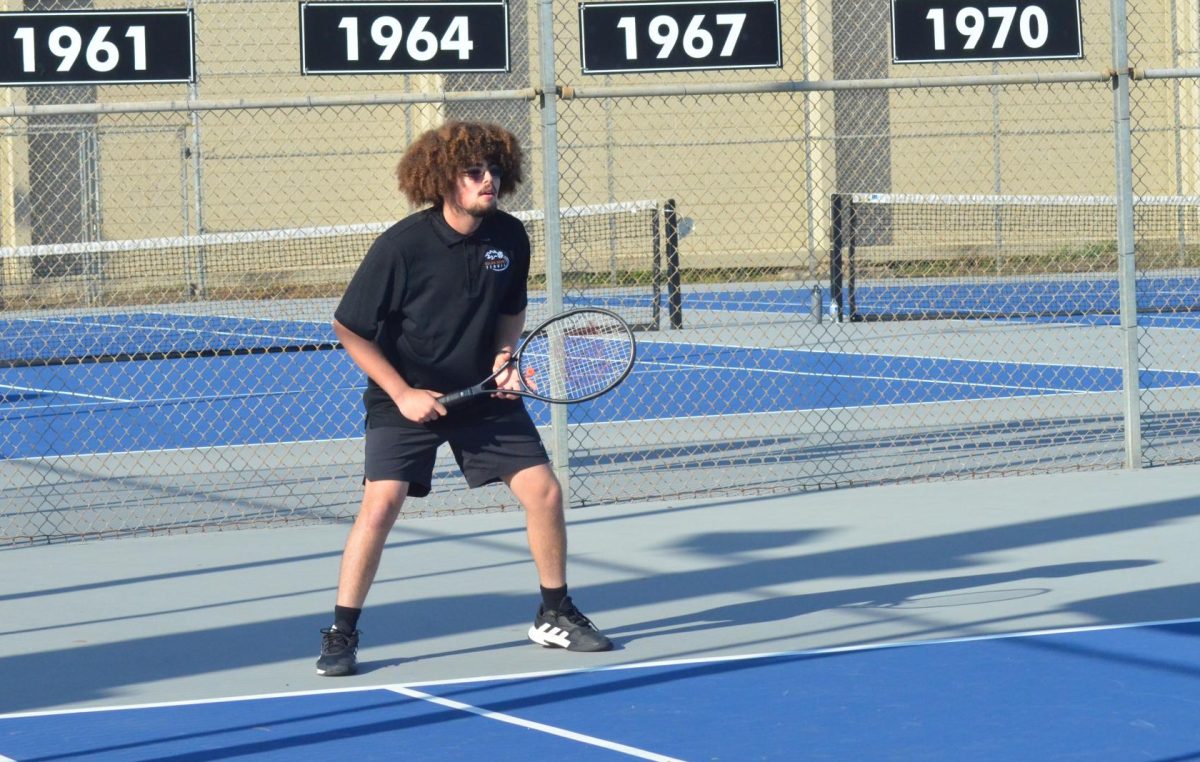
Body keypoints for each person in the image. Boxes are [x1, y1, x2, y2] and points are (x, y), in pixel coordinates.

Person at [316, 121, 613, 677]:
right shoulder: (402, 247)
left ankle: (555, 614)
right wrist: (403, 393)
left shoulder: (510, 236)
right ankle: (341, 632)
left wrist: (505, 359)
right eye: (474, 173)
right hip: (404, 396)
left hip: (482, 395)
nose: (488, 181)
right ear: (442, 181)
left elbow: (510, 311)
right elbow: (349, 327)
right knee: (380, 506)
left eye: (494, 171)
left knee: (544, 492)